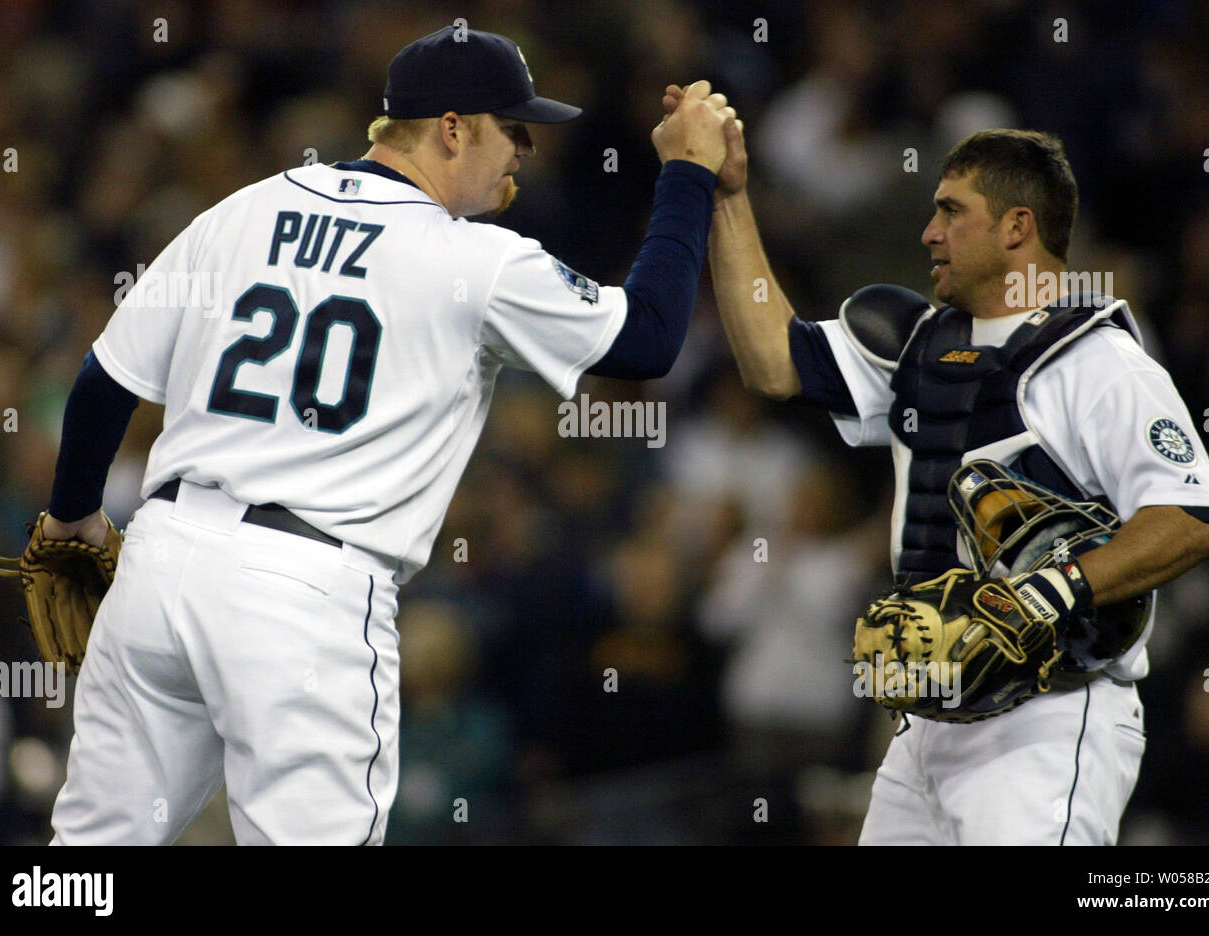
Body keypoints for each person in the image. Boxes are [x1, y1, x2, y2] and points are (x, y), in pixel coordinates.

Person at [41, 27, 735, 845]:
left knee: (84, 861)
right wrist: (688, 173)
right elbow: (650, 339)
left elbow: (103, 384)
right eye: (511, 128)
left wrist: (72, 516)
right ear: (451, 127)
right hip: (305, 591)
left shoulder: (245, 208)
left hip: (162, 563)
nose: (524, 149)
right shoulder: (475, 259)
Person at [678, 83, 1209, 845]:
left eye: (950, 211)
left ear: (1017, 227)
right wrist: (728, 196)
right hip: (928, 720)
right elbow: (774, 360)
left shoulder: (1101, 362)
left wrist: (1050, 590)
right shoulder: (920, 345)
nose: (930, 232)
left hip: (1048, 719)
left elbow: (1192, 518)